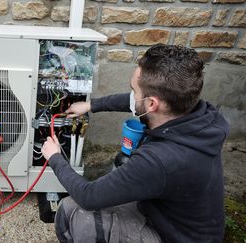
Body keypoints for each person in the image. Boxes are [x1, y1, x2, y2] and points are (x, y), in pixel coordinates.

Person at [42, 45, 229, 243]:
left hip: (173, 236)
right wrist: (91, 105)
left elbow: (89, 197)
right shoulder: (200, 113)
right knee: (74, 206)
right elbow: (135, 102)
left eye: (134, 90)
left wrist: (55, 157)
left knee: (78, 214)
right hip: (174, 217)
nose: (131, 95)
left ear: (152, 105)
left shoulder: (159, 160)